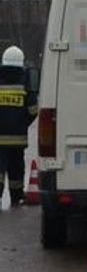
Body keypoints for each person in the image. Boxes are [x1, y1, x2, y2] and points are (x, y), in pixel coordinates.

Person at [0, 46, 37, 208]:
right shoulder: (25, 82)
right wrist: (22, 123)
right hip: (17, 138)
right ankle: (16, 196)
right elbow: (33, 110)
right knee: (16, 168)